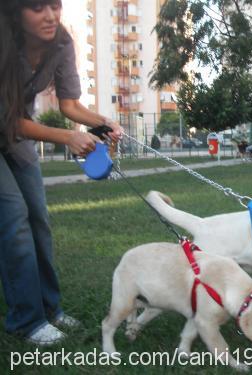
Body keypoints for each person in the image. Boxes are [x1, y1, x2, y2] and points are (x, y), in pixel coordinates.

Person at [0, 0, 122, 346]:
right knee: (14, 220)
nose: (50, 15)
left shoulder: (61, 42)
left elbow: (69, 105)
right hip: (12, 125)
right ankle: (27, 320)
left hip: (16, 134)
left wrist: (104, 123)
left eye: (53, 5)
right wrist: (68, 136)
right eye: (37, 8)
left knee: (38, 217)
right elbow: (8, 119)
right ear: (15, 12)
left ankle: (50, 309)